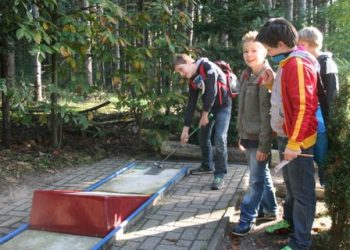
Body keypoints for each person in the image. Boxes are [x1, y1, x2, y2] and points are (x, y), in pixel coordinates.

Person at [256, 18, 319, 250]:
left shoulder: (298, 64)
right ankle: (290, 224)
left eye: (269, 49)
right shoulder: (288, 63)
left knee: (303, 193)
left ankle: (300, 243)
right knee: (291, 188)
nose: (269, 53)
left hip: (298, 142)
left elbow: (305, 106)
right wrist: (273, 84)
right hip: (288, 137)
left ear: (281, 44)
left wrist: (295, 143)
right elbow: (287, 101)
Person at [231, 31, 278, 236]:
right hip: (248, 136)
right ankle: (270, 210)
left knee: (255, 181)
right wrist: (241, 134)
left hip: (260, 139)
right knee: (261, 174)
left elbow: (268, 116)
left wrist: (264, 146)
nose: (249, 55)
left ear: (265, 52)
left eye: (254, 51)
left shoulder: (266, 78)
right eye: (246, 51)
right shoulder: (246, 75)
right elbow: (242, 111)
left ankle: (247, 219)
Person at [174, 54, 232, 190]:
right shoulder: (193, 80)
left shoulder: (207, 67)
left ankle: (220, 174)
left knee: (219, 137)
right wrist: (185, 130)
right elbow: (191, 104)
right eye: (178, 72)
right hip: (209, 108)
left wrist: (204, 115)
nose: (181, 74)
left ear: (189, 62)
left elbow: (212, 91)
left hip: (223, 106)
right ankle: (207, 166)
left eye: (181, 69)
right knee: (203, 135)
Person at [298, 26, 339, 186]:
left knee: (324, 160)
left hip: (322, 122)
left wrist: (331, 123)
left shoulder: (326, 64)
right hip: (312, 120)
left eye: (301, 44)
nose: (299, 48)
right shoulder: (311, 62)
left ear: (309, 44)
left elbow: (332, 96)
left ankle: (327, 188)